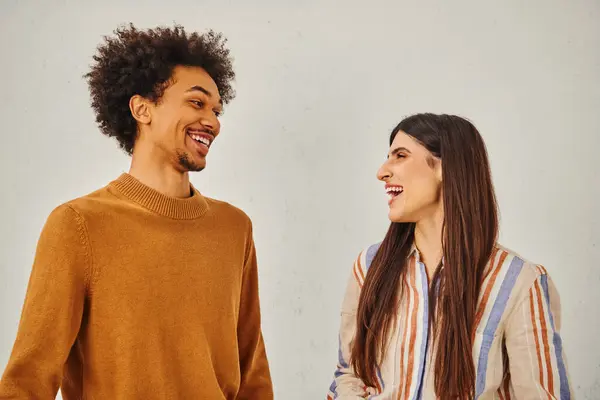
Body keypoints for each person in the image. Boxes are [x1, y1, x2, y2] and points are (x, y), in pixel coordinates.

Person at [0, 24, 273, 399]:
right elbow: (27, 383)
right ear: (142, 109)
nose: (212, 121)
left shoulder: (234, 228)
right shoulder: (78, 225)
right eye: (196, 103)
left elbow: (253, 378)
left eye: (216, 109)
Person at [327, 113, 572, 399]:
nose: (382, 171)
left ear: (446, 167)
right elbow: (349, 375)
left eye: (400, 156)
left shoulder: (518, 282)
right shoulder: (369, 267)